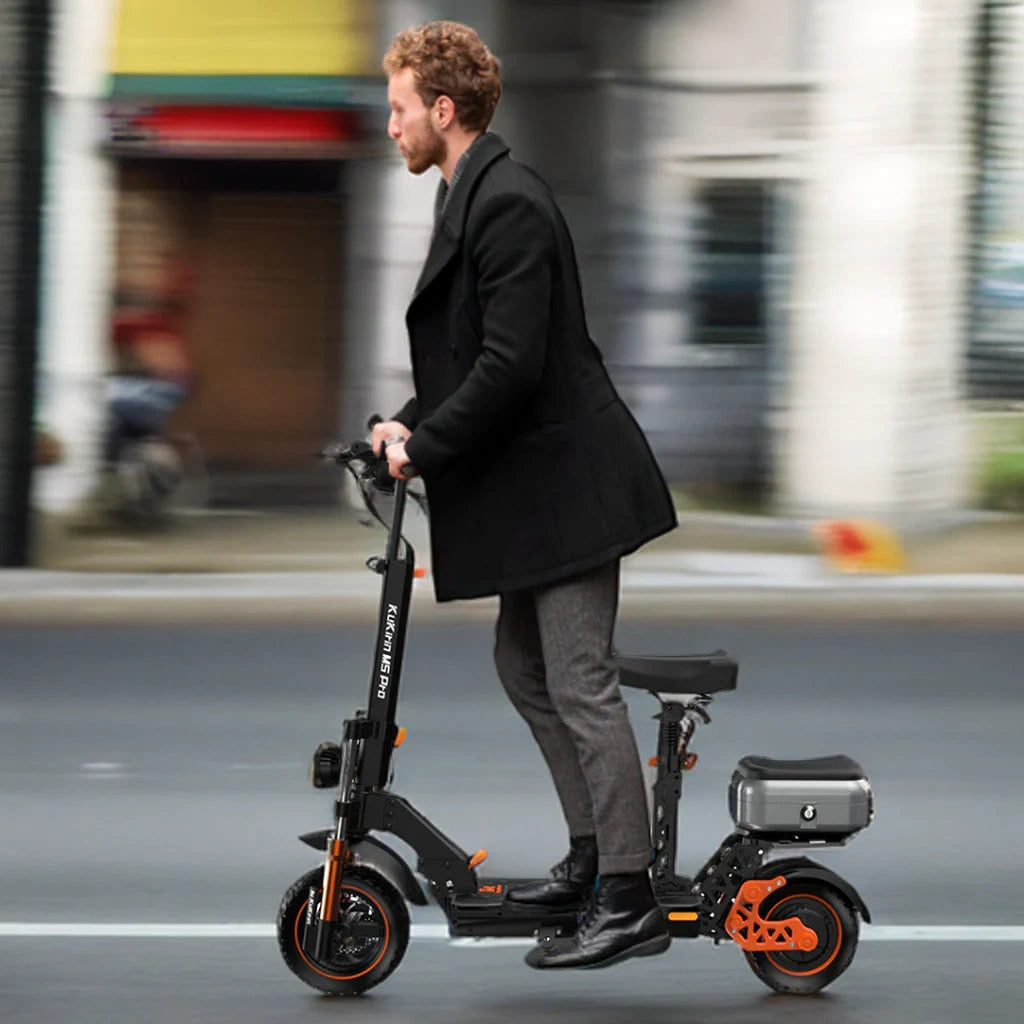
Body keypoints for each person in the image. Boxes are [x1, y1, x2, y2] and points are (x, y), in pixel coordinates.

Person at [374, 21, 678, 970]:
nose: (391, 126)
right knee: (523, 665)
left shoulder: (506, 203)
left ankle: (627, 896)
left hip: (571, 488)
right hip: (540, 491)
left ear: (443, 110)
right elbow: (469, 354)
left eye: (399, 108)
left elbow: (510, 368)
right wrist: (404, 421)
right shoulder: (469, 194)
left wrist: (425, 448)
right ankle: (594, 855)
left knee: (580, 681)